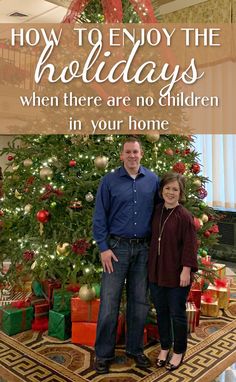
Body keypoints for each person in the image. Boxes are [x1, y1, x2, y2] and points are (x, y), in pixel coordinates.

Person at [93, 136, 160, 374]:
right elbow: (99, 215)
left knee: (139, 303)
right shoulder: (109, 181)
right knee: (109, 304)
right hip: (116, 250)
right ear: (121, 155)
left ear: (142, 154)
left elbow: (160, 212)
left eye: (136, 152)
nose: (132, 155)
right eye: (128, 152)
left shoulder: (153, 180)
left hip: (143, 250)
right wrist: (103, 247)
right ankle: (103, 354)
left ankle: (134, 349)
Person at [148, 172, 198, 371]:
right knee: (161, 312)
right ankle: (165, 347)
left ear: (181, 192)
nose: (170, 192)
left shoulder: (185, 216)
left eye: (175, 189)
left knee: (176, 314)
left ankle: (178, 351)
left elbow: (190, 246)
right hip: (156, 272)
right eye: (167, 188)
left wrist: (186, 270)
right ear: (161, 191)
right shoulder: (156, 210)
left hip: (177, 274)